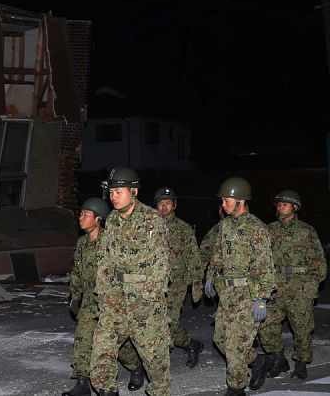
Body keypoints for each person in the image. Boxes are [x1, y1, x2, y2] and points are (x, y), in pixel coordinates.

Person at [90, 167, 171, 396]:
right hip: (116, 299)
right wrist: (103, 294)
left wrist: (148, 299)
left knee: (155, 359)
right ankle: (107, 391)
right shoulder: (113, 220)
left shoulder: (151, 219)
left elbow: (161, 264)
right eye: (111, 192)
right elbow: (105, 260)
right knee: (101, 352)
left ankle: (160, 392)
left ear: (133, 191)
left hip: (144, 301)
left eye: (118, 191)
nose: (113, 196)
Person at [63, 197, 144, 396]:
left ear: (98, 219)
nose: (80, 218)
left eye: (85, 215)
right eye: (80, 214)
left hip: (108, 299)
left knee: (114, 343)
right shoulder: (82, 243)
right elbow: (77, 272)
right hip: (89, 299)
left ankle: (135, 367)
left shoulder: (109, 242)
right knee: (83, 338)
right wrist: (75, 296)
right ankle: (83, 383)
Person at [204, 177, 275, 395]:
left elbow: (265, 266)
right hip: (228, 294)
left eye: (226, 200)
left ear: (240, 201)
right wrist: (211, 276)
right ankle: (259, 361)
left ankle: (236, 388)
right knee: (220, 339)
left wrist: (262, 298)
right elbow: (217, 256)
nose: (223, 205)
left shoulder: (257, 229)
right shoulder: (225, 226)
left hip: (248, 294)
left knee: (235, 348)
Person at [258, 190, 327, 379]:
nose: (280, 207)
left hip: (299, 287)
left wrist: (313, 283)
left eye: (284, 204)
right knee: (265, 323)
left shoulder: (306, 231)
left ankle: (301, 362)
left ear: (294, 207)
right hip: (275, 288)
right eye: (278, 204)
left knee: (302, 327)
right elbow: (260, 258)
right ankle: (279, 359)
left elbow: (318, 260)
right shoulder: (269, 230)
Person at [153, 187, 204, 368]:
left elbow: (193, 255)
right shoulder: (150, 227)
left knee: (169, 320)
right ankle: (190, 344)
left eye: (168, 203)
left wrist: (197, 282)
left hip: (177, 281)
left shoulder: (183, 228)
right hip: (154, 282)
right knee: (156, 320)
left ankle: (161, 363)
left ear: (174, 205)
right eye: (160, 203)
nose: (164, 207)